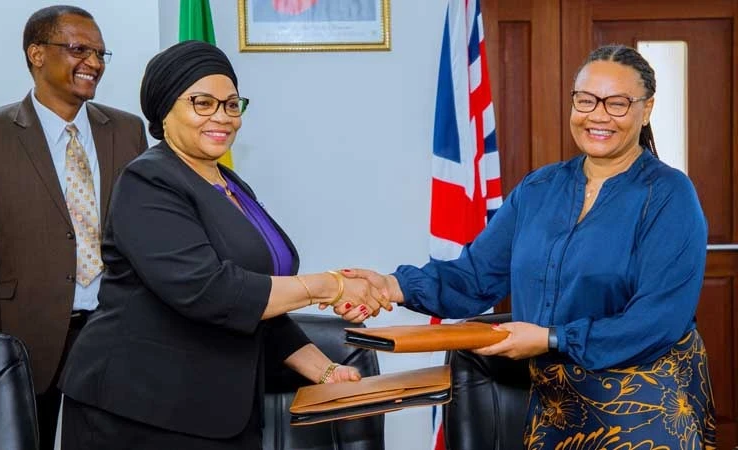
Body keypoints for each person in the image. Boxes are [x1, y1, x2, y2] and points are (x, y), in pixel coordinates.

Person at [343, 44, 716, 448]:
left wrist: (551, 338)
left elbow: (658, 321)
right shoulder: (539, 189)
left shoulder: (669, 195)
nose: (598, 115)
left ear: (646, 109)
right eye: (586, 100)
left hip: (643, 399)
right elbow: (472, 278)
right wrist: (391, 286)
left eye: (618, 103)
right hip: (556, 401)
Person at [58, 40, 388, 450]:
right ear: (165, 110)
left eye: (232, 104)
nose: (223, 117)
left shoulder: (231, 185)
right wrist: (329, 285)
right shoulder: (148, 181)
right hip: (139, 411)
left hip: (216, 410)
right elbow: (211, 291)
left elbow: (256, 308)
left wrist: (325, 371)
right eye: (203, 103)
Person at [0, 5, 148, 449]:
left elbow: (144, 235)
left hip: (116, 330)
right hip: (27, 337)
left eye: (99, 53)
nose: (94, 63)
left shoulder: (127, 130)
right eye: (79, 49)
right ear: (37, 54)